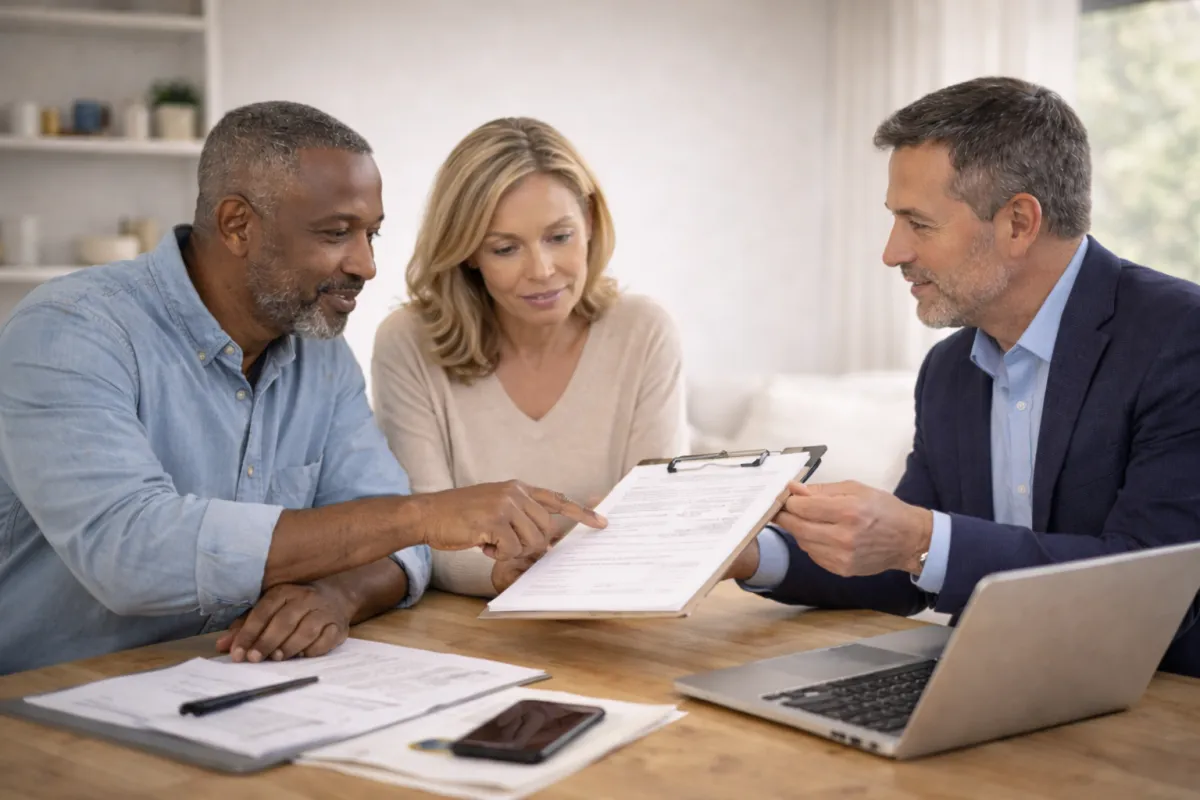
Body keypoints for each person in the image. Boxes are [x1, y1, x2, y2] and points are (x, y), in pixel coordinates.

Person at [0, 102, 603, 675]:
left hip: (234, 686)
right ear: (237, 225)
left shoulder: (321, 355)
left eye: (372, 234)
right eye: (337, 232)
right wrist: (423, 515)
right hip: (49, 699)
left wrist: (338, 595)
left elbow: (400, 550)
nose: (366, 264)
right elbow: (130, 552)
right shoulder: (71, 331)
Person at [726, 76, 1200, 677]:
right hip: (986, 684)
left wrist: (919, 538)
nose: (892, 252)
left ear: (1018, 223)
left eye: (918, 224)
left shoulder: (1181, 337)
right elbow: (901, 574)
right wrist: (748, 555)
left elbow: (1154, 586)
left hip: (1159, 708)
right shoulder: (949, 370)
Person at [372, 117, 687, 597]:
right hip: (470, 631)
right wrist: (499, 571)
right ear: (468, 253)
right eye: (505, 248)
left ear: (588, 222)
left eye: (559, 237)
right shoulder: (408, 343)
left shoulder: (643, 332)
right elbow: (420, 533)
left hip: (618, 617)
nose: (541, 271)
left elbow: (657, 520)